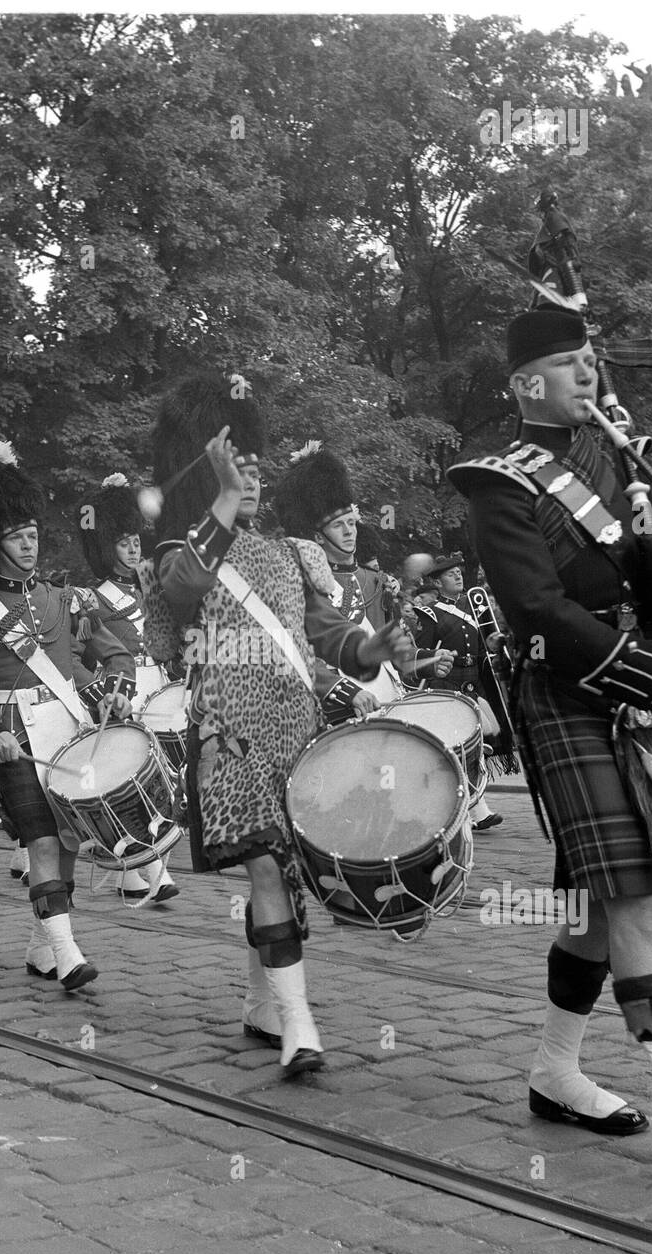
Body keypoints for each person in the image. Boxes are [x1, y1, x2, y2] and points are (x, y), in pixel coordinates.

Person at [150, 373, 414, 1077]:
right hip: (228, 737)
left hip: (295, 730)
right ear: (208, 475)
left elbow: (328, 636)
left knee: (288, 875)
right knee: (266, 862)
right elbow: (182, 594)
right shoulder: (183, 551)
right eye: (238, 470)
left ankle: (261, 1000)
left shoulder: (297, 555)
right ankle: (301, 1025)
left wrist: (372, 650)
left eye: (258, 470)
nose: (253, 481)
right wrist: (225, 504)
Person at [448, 305, 652, 1134]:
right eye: (570, 362)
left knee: (593, 910)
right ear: (524, 381)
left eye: (591, 361)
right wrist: (649, 667)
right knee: (641, 899)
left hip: (636, 698)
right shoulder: (496, 480)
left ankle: (554, 1073)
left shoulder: (623, 463)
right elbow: (534, 608)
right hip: (570, 693)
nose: (588, 374)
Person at [0, 440, 136, 991]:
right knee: (43, 841)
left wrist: (114, 694)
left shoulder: (65, 600)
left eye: (32, 536)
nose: (30, 545)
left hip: (67, 731)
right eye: (17, 538)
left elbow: (114, 655)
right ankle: (68, 951)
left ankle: (42, 945)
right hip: (15, 740)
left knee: (70, 840)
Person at [273, 442, 455, 722]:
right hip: (331, 710)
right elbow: (290, 651)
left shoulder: (372, 582)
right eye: (338, 525)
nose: (349, 532)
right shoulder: (298, 578)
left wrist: (429, 661)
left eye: (351, 523)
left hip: (386, 701)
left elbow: (389, 650)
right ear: (318, 535)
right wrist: (344, 691)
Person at [78, 473, 180, 904]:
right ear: (107, 548)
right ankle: (147, 866)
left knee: (166, 778)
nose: (134, 548)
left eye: (136, 539)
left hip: (160, 685)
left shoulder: (153, 587)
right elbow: (82, 658)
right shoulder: (91, 597)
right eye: (123, 542)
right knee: (131, 778)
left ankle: (142, 866)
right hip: (122, 689)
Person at [412, 554, 507, 830]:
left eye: (458, 572)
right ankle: (459, 811)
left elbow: (480, 653)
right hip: (445, 688)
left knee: (475, 749)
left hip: (470, 685)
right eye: (450, 574)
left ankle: (478, 810)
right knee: (454, 751)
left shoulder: (472, 613)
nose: (458, 576)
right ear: (438, 582)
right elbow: (420, 656)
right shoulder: (430, 614)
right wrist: (435, 660)